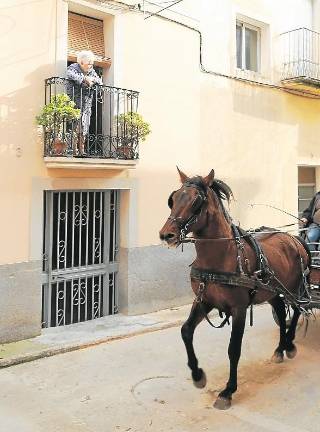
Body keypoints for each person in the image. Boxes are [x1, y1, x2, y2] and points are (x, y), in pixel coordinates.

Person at [66, 50, 103, 156]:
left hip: (86, 104)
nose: (91, 65)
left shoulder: (92, 71)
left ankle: (82, 149)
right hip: (74, 103)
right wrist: (84, 79)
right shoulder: (73, 67)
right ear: (81, 62)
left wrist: (92, 79)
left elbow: (99, 81)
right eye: (89, 62)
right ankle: (73, 150)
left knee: (85, 126)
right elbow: (70, 74)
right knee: (74, 126)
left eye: (92, 63)